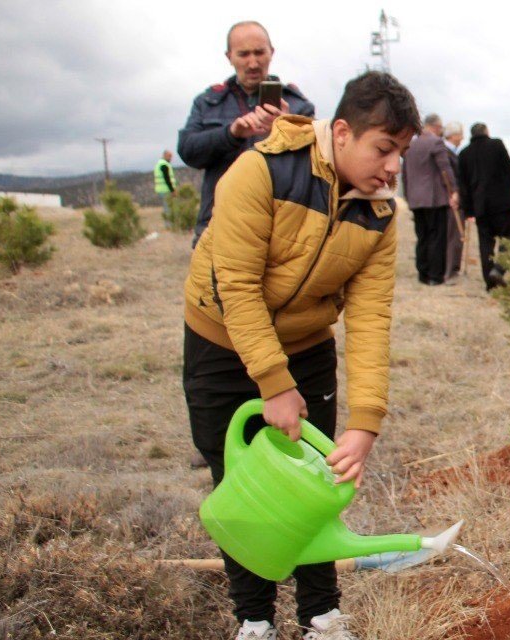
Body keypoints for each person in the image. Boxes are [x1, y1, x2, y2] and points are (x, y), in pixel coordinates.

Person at [182, 70, 419, 640]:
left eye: (402, 154)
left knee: (317, 480)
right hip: (220, 340)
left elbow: (370, 320)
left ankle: (320, 613)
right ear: (342, 132)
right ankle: (254, 618)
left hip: (309, 347)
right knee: (237, 484)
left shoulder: (381, 213)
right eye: (383, 149)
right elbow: (235, 285)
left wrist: (366, 421)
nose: (392, 168)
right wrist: (272, 382)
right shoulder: (260, 170)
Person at [178, 21, 314, 246]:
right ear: (229, 56)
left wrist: (287, 128)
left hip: (281, 233)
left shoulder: (298, 106)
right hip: (218, 228)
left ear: (271, 52)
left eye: (259, 52)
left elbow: (316, 164)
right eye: (243, 54)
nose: (253, 63)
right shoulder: (208, 103)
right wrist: (231, 134)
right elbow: (188, 151)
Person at [457, 122, 510, 290]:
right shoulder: (497, 144)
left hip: (480, 207)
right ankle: (499, 269)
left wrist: (468, 210)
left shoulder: (464, 154)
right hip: (502, 203)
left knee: (485, 245)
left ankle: (490, 284)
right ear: (486, 132)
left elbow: (463, 186)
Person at [402, 113, 457, 285]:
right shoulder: (435, 142)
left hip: (415, 199)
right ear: (436, 127)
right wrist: (454, 190)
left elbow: (405, 174)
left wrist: (408, 196)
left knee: (422, 236)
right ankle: (435, 275)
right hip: (434, 199)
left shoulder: (411, 145)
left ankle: (423, 273)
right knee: (436, 237)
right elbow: (445, 169)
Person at [442, 121, 466, 281]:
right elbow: (448, 177)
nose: (462, 138)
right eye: (460, 134)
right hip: (451, 200)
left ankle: (451, 269)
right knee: (453, 237)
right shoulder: (444, 153)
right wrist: (455, 194)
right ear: (453, 135)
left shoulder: (453, 152)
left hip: (452, 200)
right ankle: (450, 271)